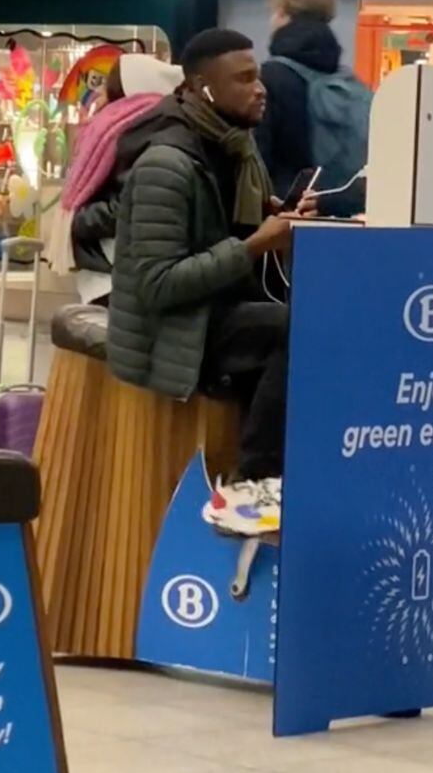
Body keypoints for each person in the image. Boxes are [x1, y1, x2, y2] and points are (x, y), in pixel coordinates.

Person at [108, 29, 296, 537]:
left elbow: (223, 236)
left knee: (313, 321)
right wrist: (254, 244)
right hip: (171, 334)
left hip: (212, 316)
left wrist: (271, 222)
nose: (260, 89)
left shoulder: (234, 151)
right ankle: (252, 482)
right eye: (244, 78)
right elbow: (157, 284)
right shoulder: (166, 165)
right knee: (295, 330)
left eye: (258, 76)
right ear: (201, 88)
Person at [54, 54, 184, 305]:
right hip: (111, 269)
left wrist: (78, 220)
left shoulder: (138, 133)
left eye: (109, 87)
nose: (101, 95)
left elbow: (127, 205)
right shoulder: (132, 128)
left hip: (116, 269)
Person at [257, 0, 370, 212]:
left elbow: (260, 159)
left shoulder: (272, 76)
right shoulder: (344, 76)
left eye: (274, 12)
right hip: (335, 207)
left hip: (288, 211)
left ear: (285, 14)